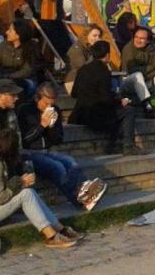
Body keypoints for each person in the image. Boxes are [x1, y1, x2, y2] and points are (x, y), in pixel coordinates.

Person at [0, 129, 81, 255]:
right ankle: (51, 236)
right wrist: (20, 183)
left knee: (28, 192)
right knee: (27, 194)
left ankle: (60, 228)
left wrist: (20, 182)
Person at [16, 83, 107, 212]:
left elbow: (58, 140)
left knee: (72, 163)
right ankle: (79, 200)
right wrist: (42, 125)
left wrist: (52, 127)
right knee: (58, 167)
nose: (49, 106)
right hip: (31, 153)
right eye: (46, 103)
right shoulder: (25, 110)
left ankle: (85, 194)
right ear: (38, 98)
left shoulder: (55, 110)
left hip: (50, 151)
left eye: (52, 103)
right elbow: (25, 140)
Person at [70, 40, 139, 154]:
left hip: (80, 113)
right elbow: (105, 99)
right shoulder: (103, 71)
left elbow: (74, 93)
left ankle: (113, 145)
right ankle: (128, 145)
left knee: (116, 113)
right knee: (129, 111)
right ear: (107, 55)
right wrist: (119, 102)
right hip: (95, 116)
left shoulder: (83, 69)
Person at [120, 26, 155, 118]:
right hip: (129, 80)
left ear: (148, 41)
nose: (137, 40)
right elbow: (131, 69)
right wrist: (149, 68)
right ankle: (146, 105)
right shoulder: (128, 48)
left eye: (141, 38)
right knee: (138, 75)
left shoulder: (153, 49)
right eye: (136, 37)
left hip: (148, 79)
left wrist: (147, 73)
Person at [64, 26, 102, 95]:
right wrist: (96, 55)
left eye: (99, 36)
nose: (98, 39)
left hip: (86, 81)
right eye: (94, 36)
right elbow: (83, 68)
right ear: (86, 36)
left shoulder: (89, 48)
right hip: (74, 82)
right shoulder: (77, 49)